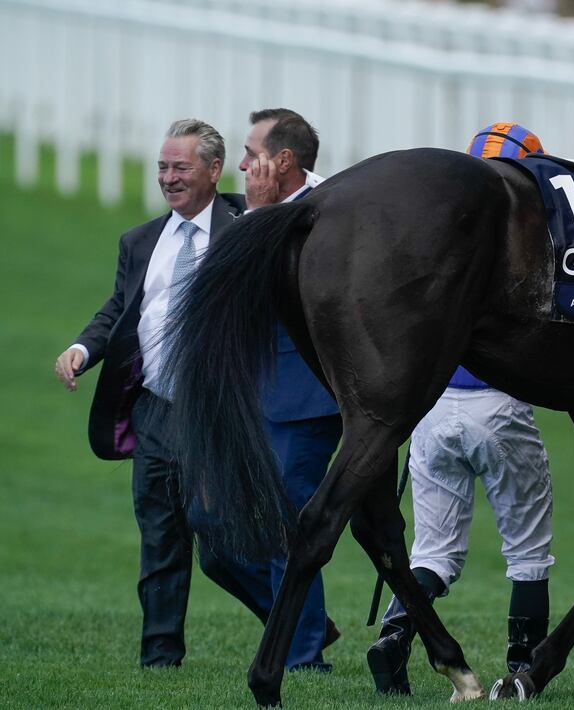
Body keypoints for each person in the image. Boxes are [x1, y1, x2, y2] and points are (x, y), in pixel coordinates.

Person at [366, 123, 555, 696]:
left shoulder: (436, 239)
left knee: (433, 552)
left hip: (434, 409)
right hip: (499, 408)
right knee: (528, 551)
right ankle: (523, 667)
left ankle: (397, 634)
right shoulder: (534, 241)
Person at [53, 119, 245, 667]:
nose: (167, 177)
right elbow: (118, 310)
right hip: (156, 409)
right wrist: (81, 351)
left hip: (222, 413)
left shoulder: (247, 230)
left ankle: (301, 631)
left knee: (227, 545)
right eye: (162, 167)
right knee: (160, 538)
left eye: (180, 167)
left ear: (214, 170)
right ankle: (159, 659)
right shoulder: (139, 241)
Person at [194, 108, 343, 672]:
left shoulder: (331, 209)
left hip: (307, 392)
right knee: (210, 527)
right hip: (246, 390)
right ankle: (307, 623)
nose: (241, 163)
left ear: (283, 161)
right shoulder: (242, 209)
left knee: (288, 523)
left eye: (252, 153)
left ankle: (302, 656)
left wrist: (258, 216)